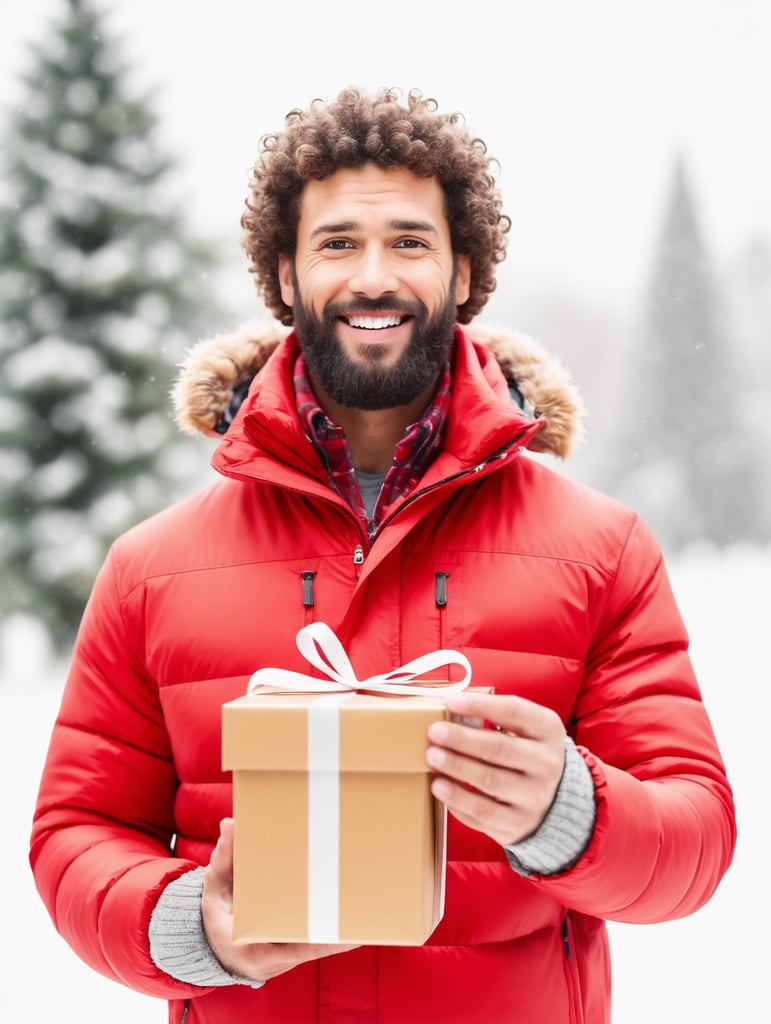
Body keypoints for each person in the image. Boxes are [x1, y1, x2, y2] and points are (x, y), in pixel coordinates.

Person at [30, 87, 736, 1024]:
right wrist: (188, 925)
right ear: (283, 275)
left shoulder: (600, 551)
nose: (373, 276)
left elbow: (694, 841)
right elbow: (77, 832)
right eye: (336, 244)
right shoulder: (151, 568)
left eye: (409, 242)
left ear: (461, 271)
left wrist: (570, 809)